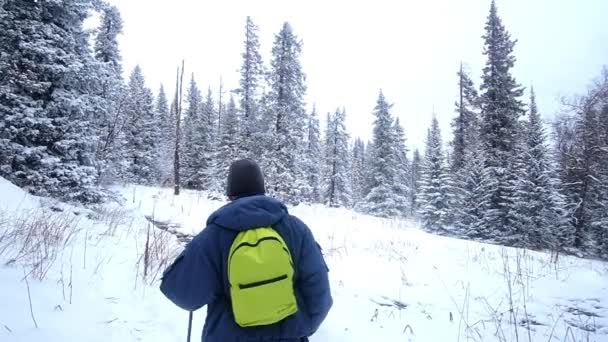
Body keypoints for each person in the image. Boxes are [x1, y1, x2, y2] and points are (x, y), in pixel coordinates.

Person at [160, 159, 333, 342]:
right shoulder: (297, 230)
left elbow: (184, 296)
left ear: (230, 194)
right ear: (262, 189)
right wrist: (299, 329)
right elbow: (320, 297)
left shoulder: (213, 236)